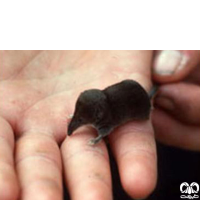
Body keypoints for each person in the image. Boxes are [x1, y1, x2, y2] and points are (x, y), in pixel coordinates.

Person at [0, 50, 199, 200]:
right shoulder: (97, 108)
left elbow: (106, 127)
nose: (75, 123)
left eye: (80, 119)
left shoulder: (107, 118)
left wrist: (97, 137)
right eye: (78, 118)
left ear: (97, 115)